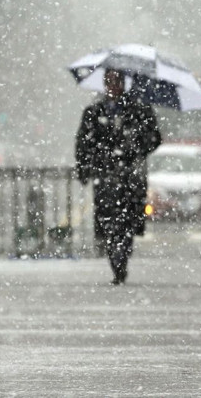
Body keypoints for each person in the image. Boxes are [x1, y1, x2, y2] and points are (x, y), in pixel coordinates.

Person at [75, 68, 162, 285]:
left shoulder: (139, 110)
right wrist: (87, 167)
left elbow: (154, 138)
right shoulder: (94, 112)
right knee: (109, 223)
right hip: (106, 177)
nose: (112, 86)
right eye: (109, 81)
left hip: (130, 178)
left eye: (116, 81)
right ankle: (117, 261)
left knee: (127, 224)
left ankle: (121, 258)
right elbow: (83, 144)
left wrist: (134, 146)